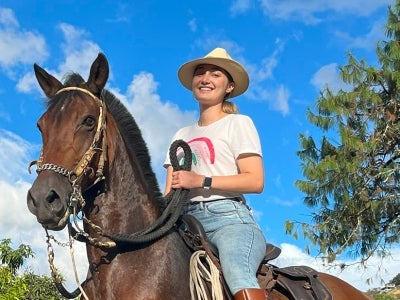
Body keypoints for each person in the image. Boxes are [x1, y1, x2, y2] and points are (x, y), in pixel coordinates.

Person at [164, 47, 267, 300]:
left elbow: (255, 180)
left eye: (215, 74)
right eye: (200, 73)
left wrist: (201, 181)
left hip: (229, 220)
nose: (205, 78)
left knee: (237, 271)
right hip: (183, 221)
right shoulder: (180, 135)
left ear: (229, 87)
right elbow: (168, 193)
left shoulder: (238, 123)